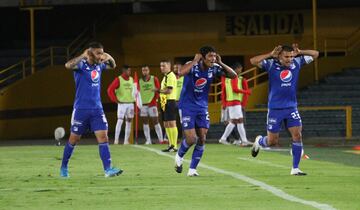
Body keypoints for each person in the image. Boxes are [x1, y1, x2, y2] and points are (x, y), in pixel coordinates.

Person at [249, 44, 319, 176]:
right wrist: (270, 54)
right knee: (272, 142)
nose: (290, 59)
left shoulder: (297, 62)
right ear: (280, 56)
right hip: (275, 109)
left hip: (291, 107)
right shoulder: (270, 64)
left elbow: (315, 54)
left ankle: (295, 168)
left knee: (297, 136)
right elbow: (253, 61)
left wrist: (300, 52)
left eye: (292, 56)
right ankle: (259, 141)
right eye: (287, 56)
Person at [60, 42, 122, 178]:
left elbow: (113, 65)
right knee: (73, 139)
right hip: (81, 109)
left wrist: (108, 56)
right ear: (90, 53)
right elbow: (68, 65)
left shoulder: (99, 66)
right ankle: (64, 167)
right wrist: (82, 55)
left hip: (97, 109)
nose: (101, 56)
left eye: (101, 52)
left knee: (103, 137)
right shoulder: (81, 65)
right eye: (98, 53)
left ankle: (108, 169)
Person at [175, 46, 236, 176]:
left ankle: (192, 169)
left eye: (214, 56)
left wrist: (220, 62)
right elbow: (180, 72)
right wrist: (194, 61)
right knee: (191, 139)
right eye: (210, 56)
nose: (213, 59)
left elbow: (233, 75)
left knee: (202, 138)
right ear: (202, 57)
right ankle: (179, 156)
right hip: (187, 106)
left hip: (202, 107)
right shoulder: (192, 66)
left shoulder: (214, 68)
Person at [219, 62, 251, 146]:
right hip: (235, 101)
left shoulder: (226, 78)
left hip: (231, 101)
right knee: (236, 121)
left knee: (237, 121)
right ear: (236, 69)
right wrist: (246, 91)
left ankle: (243, 140)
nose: (240, 70)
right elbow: (235, 89)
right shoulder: (234, 77)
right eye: (240, 69)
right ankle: (224, 138)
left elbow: (224, 91)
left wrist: (224, 102)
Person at [107, 65, 135, 145]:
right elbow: (110, 90)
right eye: (128, 70)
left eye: (130, 70)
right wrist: (115, 100)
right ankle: (116, 141)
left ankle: (126, 141)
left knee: (129, 122)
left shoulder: (132, 79)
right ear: (124, 71)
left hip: (130, 103)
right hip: (122, 104)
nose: (130, 72)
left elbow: (135, 91)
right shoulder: (118, 79)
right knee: (120, 121)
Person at [138, 65, 164, 144]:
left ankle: (161, 140)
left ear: (149, 71)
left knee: (155, 121)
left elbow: (158, 90)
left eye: (146, 70)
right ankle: (148, 140)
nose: (144, 72)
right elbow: (137, 94)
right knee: (145, 122)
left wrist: (154, 101)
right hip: (143, 105)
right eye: (143, 70)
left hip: (152, 104)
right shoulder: (139, 81)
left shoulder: (154, 79)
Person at [158, 60, 178, 152]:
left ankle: (174, 145)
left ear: (169, 66)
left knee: (172, 123)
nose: (162, 68)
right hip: (164, 102)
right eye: (161, 66)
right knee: (166, 123)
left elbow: (169, 91)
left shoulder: (170, 76)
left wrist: (158, 90)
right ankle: (170, 144)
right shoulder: (165, 76)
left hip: (170, 101)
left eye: (164, 66)